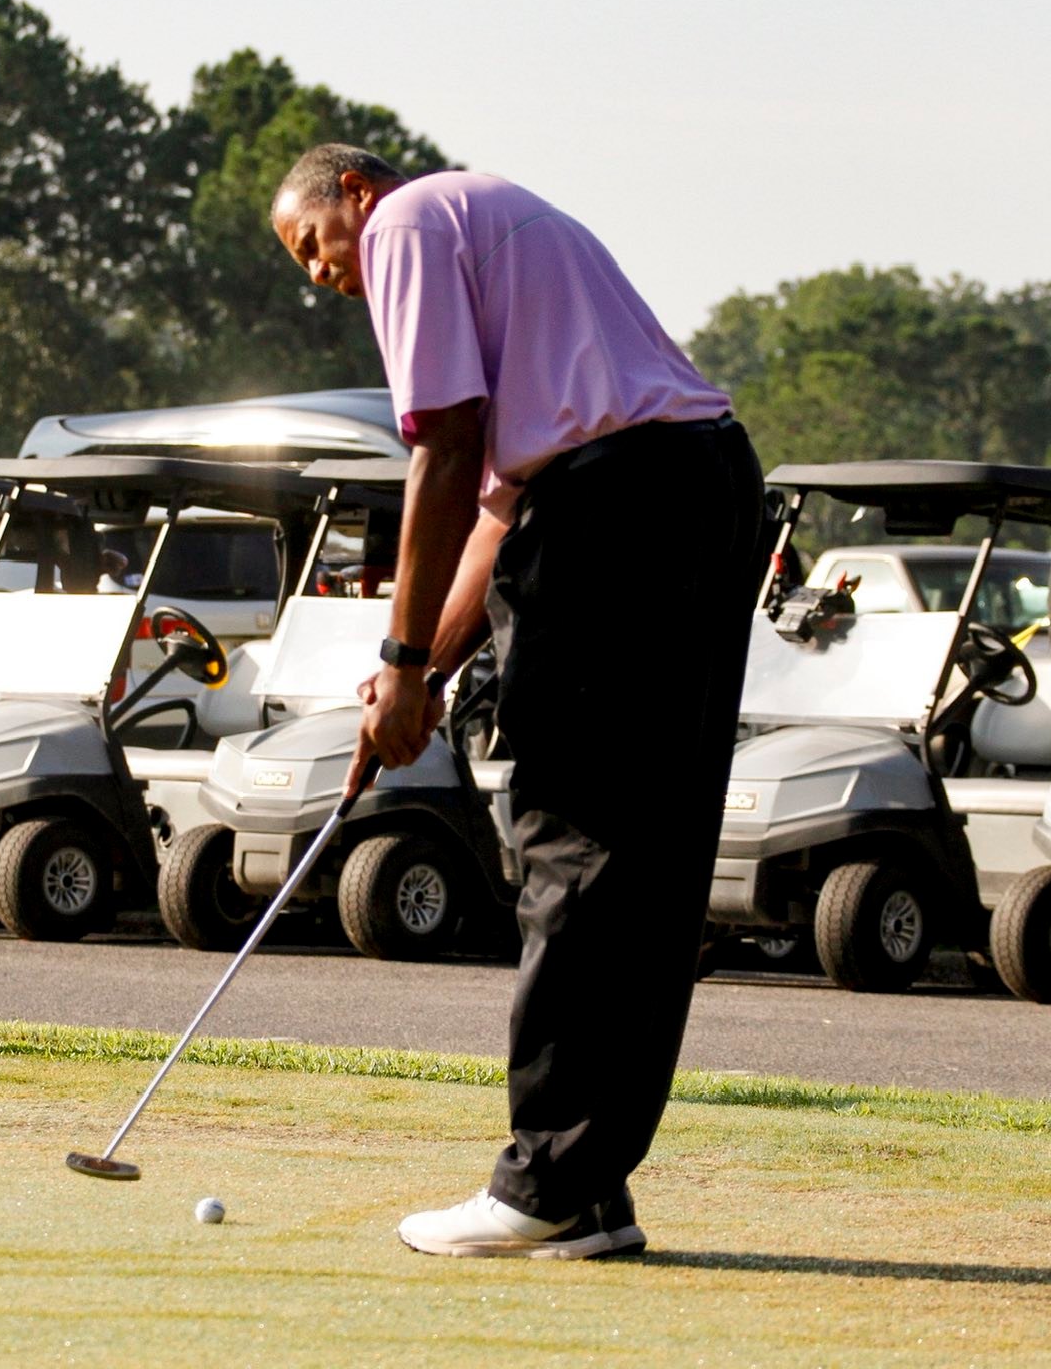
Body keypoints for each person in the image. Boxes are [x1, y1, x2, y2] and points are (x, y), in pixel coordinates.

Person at [270, 145, 766, 1260]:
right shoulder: (490, 228)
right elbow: (495, 511)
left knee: (574, 836)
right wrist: (419, 671)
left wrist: (398, 659)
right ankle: (589, 1188)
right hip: (700, 486)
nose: (316, 276)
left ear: (353, 194)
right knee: (646, 856)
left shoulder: (401, 223)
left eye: (310, 244)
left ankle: (544, 1180)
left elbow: (442, 450)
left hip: (616, 511)